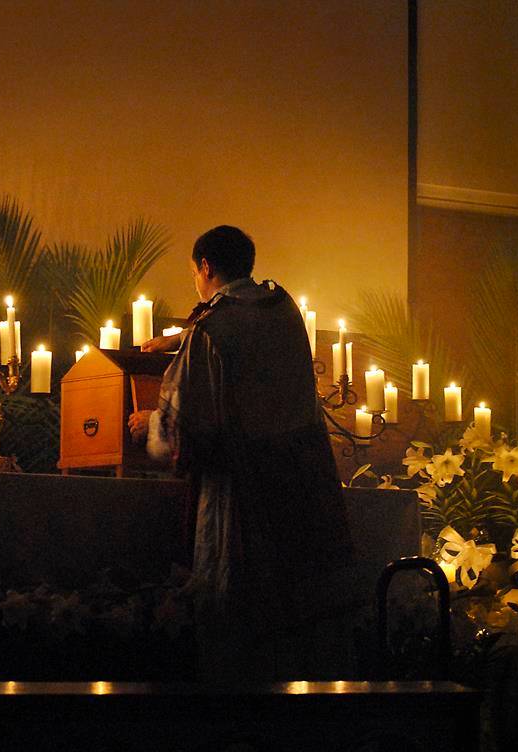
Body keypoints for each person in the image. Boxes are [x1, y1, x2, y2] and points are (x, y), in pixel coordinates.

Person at [128, 225, 357, 681]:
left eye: (194, 272)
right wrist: (180, 338)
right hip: (302, 487)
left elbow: (187, 428)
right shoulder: (283, 308)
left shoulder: (212, 330)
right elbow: (248, 336)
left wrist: (148, 422)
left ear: (206, 267)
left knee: (239, 625)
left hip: (243, 498)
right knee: (299, 625)